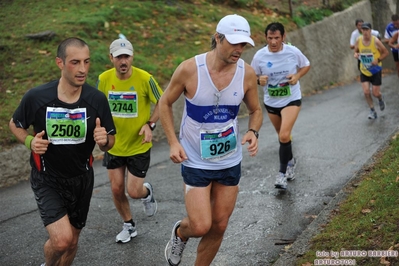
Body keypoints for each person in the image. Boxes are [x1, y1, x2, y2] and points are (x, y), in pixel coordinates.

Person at [159, 14, 263, 266]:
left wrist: (253, 131)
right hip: (195, 159)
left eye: (244, 45)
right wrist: (173, 142)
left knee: (219, 224)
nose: (239, 50)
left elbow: (256, 110)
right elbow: (165, 102)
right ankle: (180, 233)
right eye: (235, 43)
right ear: (218, 38)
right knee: (201, 224)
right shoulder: (190, 69)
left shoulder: (246, 74)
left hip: (229, 160)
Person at [8, 37, 116, 266]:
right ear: (60, 62)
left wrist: (104, 140)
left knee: (73, 241)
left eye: (86, 62)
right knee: (61, 241)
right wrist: (29, 142)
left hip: (81, 179)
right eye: (75, 62)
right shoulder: (37, 97)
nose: (82, 69)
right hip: (47, 177)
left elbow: (111, 141)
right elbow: (14, 124)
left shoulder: (96, 99)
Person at [97, 38, 163, 243]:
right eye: (119, 57)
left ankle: (146, 193)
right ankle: (129, 225)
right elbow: (98, 105)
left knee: (133, 191)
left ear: (132, 57)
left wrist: (150, 124)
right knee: (116, 189)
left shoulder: (145, 78)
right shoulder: (104, 79)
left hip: (138, 145)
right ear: (111, 58)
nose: (123, 61)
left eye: (126, 56)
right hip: (114, 144)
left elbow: (164, 101)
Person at [250, 22, 310, 190]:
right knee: (282, 136)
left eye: (277, 38)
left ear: (283, 37)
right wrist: (257, 80)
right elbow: (250, 75)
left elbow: (306, 65)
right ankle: (290, 160)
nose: (274, 42)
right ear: (266, 38)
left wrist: (297, 76)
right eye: (270, 38)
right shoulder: (260, 56)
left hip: (291, 98)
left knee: (284, 135)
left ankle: (282, 174)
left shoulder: (292, 51)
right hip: (271, 101)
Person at [354, 22, 389, 120]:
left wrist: (377, 60)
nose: (365, 32)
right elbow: (356, 51)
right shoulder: (358, 40)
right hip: (364, 69)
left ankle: (380, 98)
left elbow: (386, 52)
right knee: (366, 92)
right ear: (361, 31)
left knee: (375, 93)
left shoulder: (376, 41)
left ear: (370, 31)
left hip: (375, 69)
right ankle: (372, 110)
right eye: (363, 30)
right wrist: (356, 55)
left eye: (367, 30)